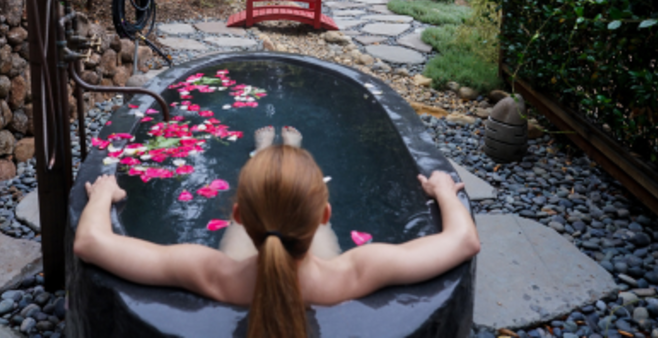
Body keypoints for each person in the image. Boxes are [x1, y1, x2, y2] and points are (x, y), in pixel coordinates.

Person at [73, 127, 480, 338]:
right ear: (325, 214)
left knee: (273, 210)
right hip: (312, 251)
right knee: (289, 206)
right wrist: (444, 190)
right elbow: (464, 241)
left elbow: (90, 242)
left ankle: (265, 154)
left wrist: (102, 195)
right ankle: (290, 158)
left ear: (237, 214)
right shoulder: (356, 272)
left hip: (251, 252)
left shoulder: (211, 273)